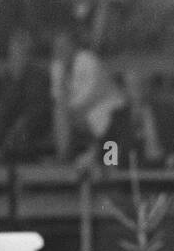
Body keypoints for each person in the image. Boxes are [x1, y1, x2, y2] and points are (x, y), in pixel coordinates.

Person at [50, 26, 125, 163]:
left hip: (105, 106)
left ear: (74, 46)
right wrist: (65, 100)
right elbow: (57, 96)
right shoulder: (57, 67)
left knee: (63, 112)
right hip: (78, 113)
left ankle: (66, 158)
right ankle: (63, 157)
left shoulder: (89, 61)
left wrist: (67, 107)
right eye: (57, 46)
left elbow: (90, 95)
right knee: (59, 112)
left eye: (64, 45)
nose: (60, 50)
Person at [0, 27, 52, 162]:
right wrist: (16, 80)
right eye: (13, 51)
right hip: (11, 123)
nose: (15, 55)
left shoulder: (38, 75)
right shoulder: (9, 76)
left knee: (23, 128)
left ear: (27, 53)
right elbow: (5, 103)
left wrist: (20, 124)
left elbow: (38, 107)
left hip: (35, 122)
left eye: (19, 51)